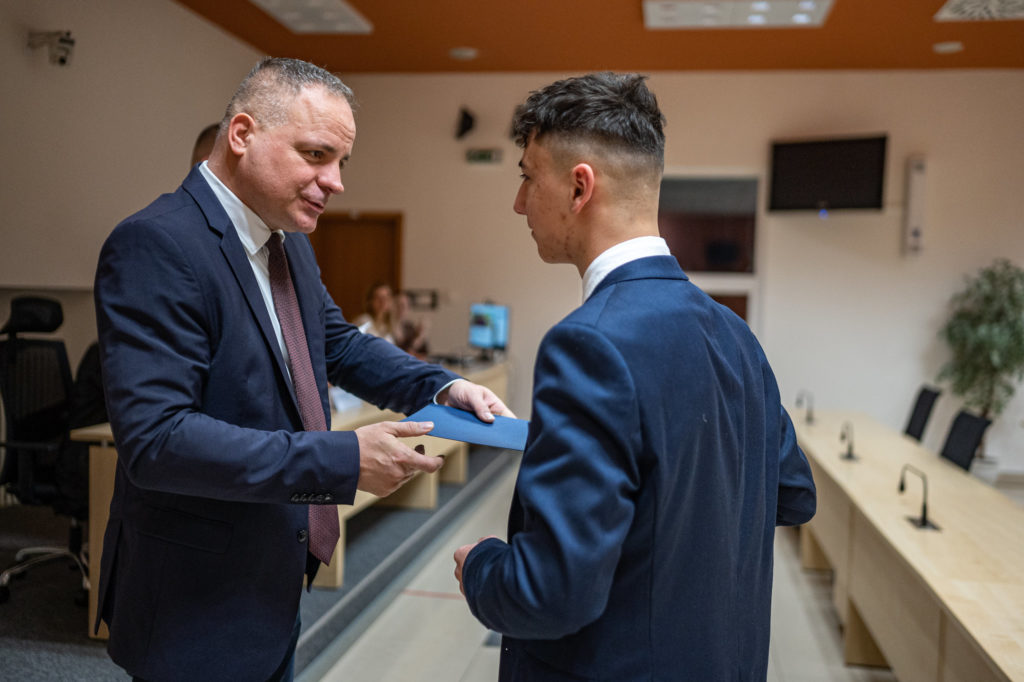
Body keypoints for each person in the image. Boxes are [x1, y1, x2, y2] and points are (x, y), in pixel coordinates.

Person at [94, 57, 510, 682]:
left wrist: (440, 385)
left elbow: (337, 344)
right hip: (193, 599)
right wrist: (341, 461)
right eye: (316, 155)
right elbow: (157, 442)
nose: (336, 181)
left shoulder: (286, 241)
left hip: (269, 579)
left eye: (341, 161)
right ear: (242, 135)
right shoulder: (158, 244)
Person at [453, 72, 816, 681]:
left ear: (578, 186)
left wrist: (484, 567)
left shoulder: (589, 343)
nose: (519, 202)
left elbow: (549, 594)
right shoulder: (734, 334)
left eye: (526, 176)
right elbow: (791, 494)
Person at [392, 289, 429, 358]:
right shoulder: (388, 326)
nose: (401, 309)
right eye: (398, 305)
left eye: (404, 306)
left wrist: (420, 334)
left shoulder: (409, 327)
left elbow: (423, 351)